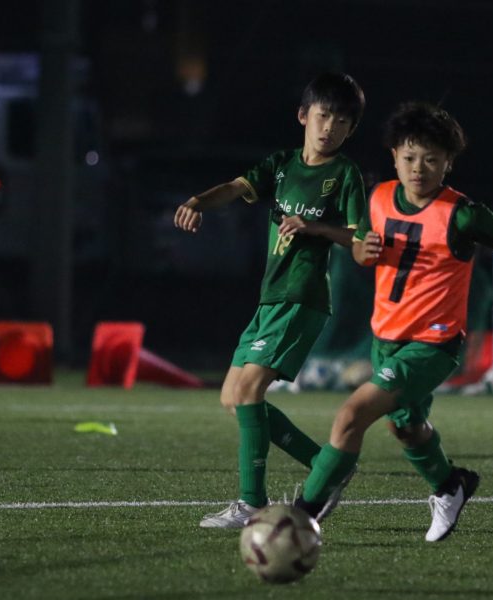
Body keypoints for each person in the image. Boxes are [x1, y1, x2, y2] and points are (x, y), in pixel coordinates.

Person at [294, 101, 493, 542]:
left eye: (430, 159)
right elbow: (363, 245)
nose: (418, 169)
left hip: (433, 344)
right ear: (394, 157)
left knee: (350, 416)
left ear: (448, 163)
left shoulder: (463, 213)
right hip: (385, 338)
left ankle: (301, 514)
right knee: (405, 427)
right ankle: (450, 486)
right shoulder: (379, 197)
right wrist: (360, 249)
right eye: (409, 158)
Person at [173, 72, 366, 528]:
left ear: (350, 130)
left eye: (342, 122)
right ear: (303, 116)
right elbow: (236, 187)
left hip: (303, 297)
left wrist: (314, 227)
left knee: (248, 392)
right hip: (270, 299)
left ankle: (251, 504)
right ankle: (327, 466)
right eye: (323, 116)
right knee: (231, 397)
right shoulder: (281, 166)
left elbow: (360, 239)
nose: (330, 128)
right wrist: (197, 201)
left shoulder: (345, 175)